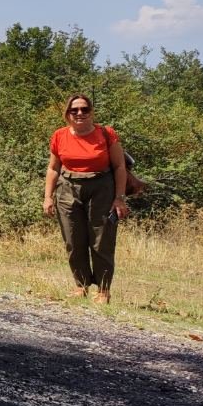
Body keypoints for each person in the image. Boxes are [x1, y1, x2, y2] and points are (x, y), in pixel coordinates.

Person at [45, 94, 130, 304]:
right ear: (68, 114)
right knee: (73, 240)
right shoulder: (60, 135)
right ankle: (80, 285)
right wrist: (48, 196)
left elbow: (120, 166)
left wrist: (119, 198)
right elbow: (53, 168)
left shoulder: (106, 133)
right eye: (75, 110)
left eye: (84, 109)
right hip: (68, 188)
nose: (80, 113)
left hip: (101, 187)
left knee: (102, 240)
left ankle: (103, 290)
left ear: (91, 112)